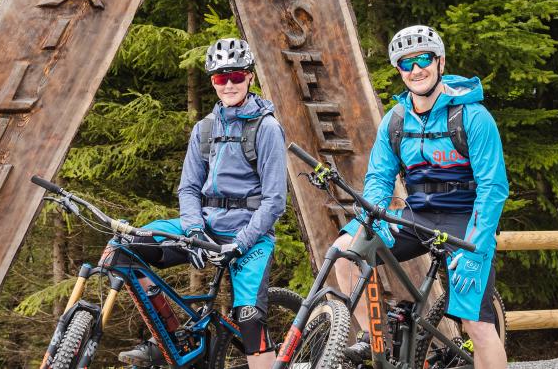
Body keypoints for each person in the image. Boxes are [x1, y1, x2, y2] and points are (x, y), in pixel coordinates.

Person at [329, 25, 509, 369]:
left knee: (478, 325)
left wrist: (478, 247)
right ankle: (373, 340)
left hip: (464, 220)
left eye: (423, 59)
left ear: (440, 61)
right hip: (415, 217)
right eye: (406, 63)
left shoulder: (472, 116)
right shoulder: (395, 120)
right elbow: (379, 179)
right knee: (344, 253)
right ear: (398, 69)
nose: (416, 70)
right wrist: (374, 219)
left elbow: (493, 188)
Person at [115, 38, 287, 369]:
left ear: (250, 76)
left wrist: (240, 243)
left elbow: (275, 199)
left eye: (236, 76)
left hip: (248, 236)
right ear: (213, 81)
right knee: (130, 245)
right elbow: (189, 188)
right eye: (222, 78)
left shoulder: (266, 128)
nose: (230, 85)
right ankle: (170, 337)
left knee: (250, 318)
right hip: (204, 226)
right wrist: (193, 228)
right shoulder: (204, 129)